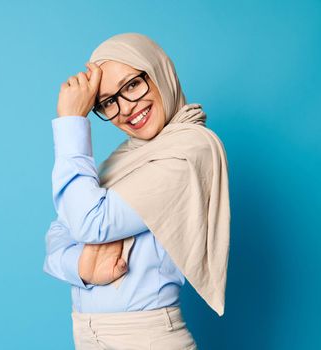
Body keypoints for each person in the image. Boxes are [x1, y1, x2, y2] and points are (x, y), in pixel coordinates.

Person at [43, 32, 230, 350]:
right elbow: (59, 232)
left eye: (131, 85)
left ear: (158, 71)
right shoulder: (125, 159)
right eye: (108, 102)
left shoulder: (188, 150)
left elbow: (89, 223)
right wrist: (83, 267)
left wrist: (72, 121)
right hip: (88, 332)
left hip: (145, 337)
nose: (127, 107)